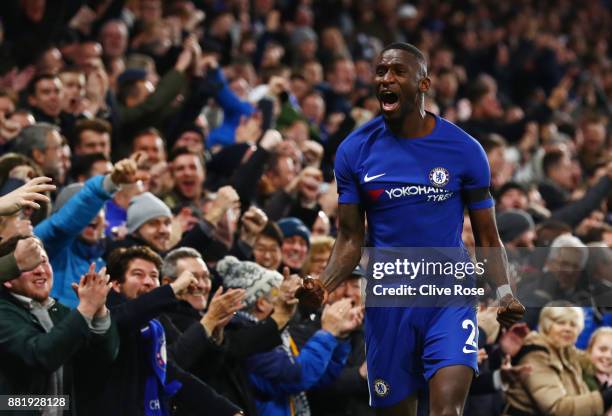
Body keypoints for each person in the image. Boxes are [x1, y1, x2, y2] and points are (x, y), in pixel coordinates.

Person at [319, 42, 525, 415]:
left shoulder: (465, 150)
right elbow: (350, 237)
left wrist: (504, 291)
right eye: (381, 71)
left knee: (447, 411)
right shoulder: (353, 151)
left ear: (424, 84)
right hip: (389, 301)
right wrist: (322, 284)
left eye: (397, 71)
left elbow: (487, 237)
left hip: (448, 295)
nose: (386, 78)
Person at [0, 235, 119, 415]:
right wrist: (86, 307)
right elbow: (40, 355)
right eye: (29, 265)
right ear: (8, 278)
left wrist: (99, 311)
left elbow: (100, 362)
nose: (40, 270)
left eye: (44, 261)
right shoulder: (3, 311)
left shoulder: (60, 311)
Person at [504, 303, 612, 415]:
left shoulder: (565, 351)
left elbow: (591, 358)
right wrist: (606, 397)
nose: (568, 329)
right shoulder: (536, 355)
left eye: (573, 325)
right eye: (561, 322)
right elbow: (557, 409)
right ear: (547, 325)